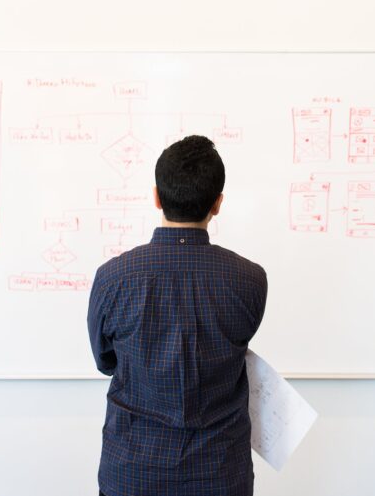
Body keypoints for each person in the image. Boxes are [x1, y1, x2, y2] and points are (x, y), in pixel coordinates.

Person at [87, 135, 268, 496]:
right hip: (219, 474)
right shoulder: (250, 280)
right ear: (217, 204)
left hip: (132, 472)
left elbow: (106, 361)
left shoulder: (112, 278)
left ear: (156, 197)